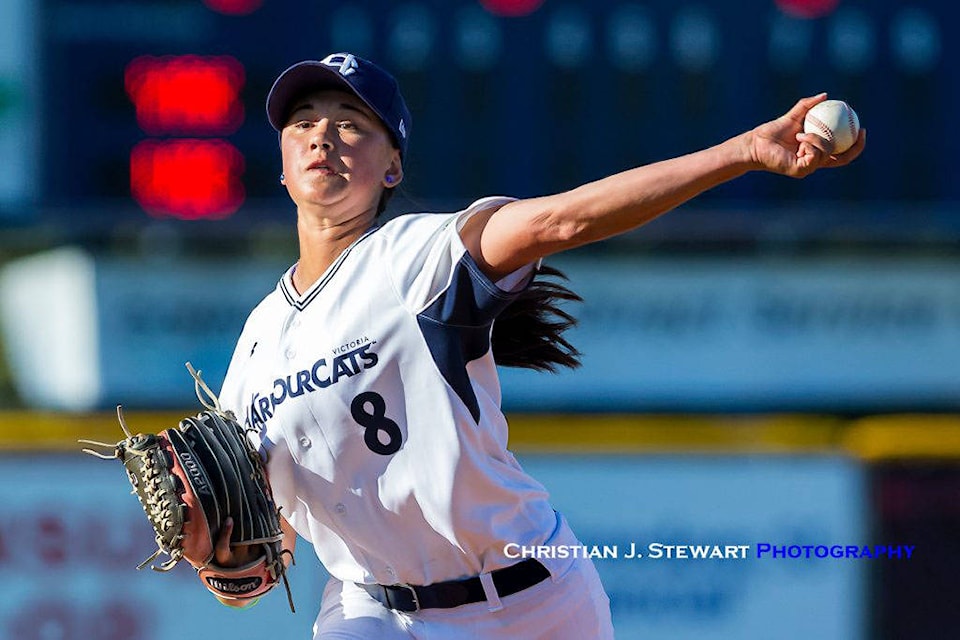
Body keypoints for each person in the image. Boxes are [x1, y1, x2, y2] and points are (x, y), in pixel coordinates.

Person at [210, 52, 865, 638]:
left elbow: (565, 217)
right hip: (374, 614)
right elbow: (274, 532)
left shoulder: (419, 259)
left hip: (534, 606)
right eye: (303, 122)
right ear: (283, 165)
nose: (323, 134)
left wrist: (743, 151)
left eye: (352, 122)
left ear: (392, 165)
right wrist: (235, 559)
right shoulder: (257, 345)